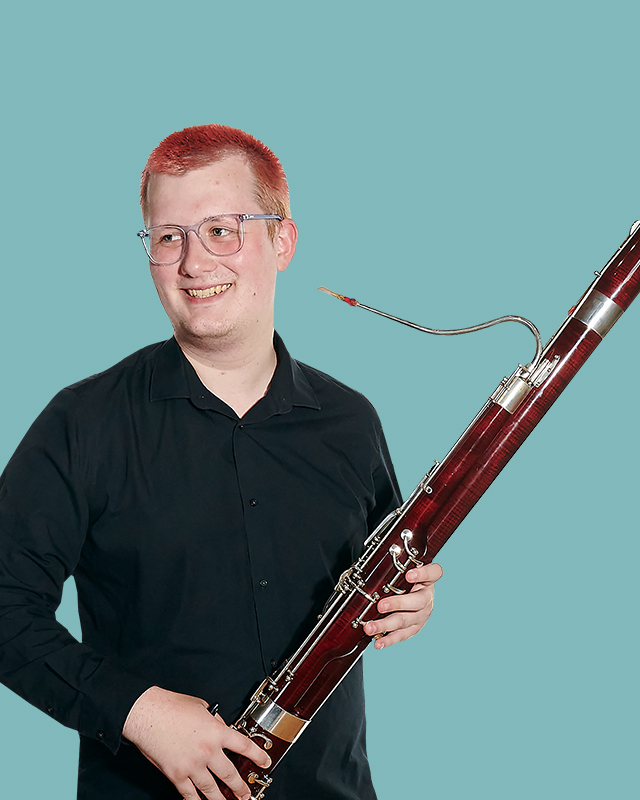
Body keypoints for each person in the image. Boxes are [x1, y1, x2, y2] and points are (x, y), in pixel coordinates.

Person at [0, 124, 443, 800]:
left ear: (283, 241)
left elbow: (382, 575)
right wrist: (135, 710)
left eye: (222, 230)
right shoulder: (81, 423)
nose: (193, 263)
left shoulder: (353, 422)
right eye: (169, 236)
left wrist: (409, 603)